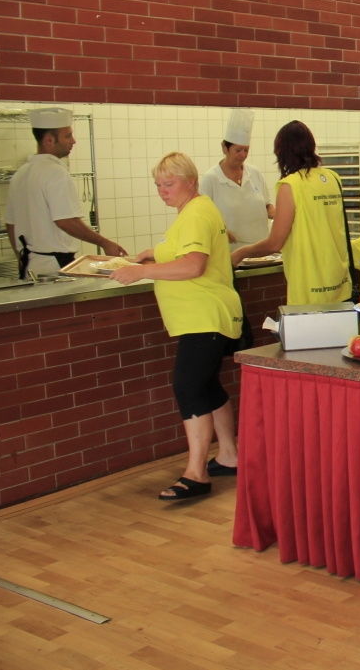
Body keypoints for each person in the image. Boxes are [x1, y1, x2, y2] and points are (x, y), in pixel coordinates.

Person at [110, 153, 242, 501]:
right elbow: (182, 252)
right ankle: (229, 456)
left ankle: (196, 474)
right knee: (207, 386)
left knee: (188, 387)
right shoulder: (193, 211)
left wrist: (141, 271)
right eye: (158, 185)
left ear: (191, 182)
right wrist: (152, 253)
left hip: (204, 314)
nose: (162, 191)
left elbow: (194, 265)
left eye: (169, 184)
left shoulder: (196, 212)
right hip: (202, 315)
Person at [231, 121, 351, 305]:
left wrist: (240, 253)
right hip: (340, 282)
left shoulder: (291, 185)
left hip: (310, 286)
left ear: (282, 152)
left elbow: (275, 243)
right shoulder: (333, 178)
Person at [5, 107, 126, 277]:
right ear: (49, 140)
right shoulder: (55, 172)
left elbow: (10, 224)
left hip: (29, 265)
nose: (73, 141)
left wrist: (20, 256)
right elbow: (65, 221)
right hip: (53, 266)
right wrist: (104, 242)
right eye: (68, 136)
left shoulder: (21, 173)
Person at [199, 109, 275, 250]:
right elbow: (201, 216)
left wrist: (280, 215)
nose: (242, 155)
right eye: (238, 150)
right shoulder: (212, 179)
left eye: (246, 150)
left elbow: (267, 205)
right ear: (224, 148)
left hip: (261, 249)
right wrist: (220, 229)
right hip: (230, 252)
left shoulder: (254, 173)